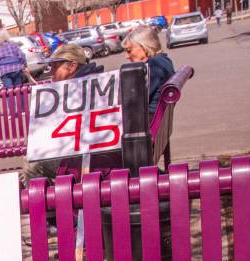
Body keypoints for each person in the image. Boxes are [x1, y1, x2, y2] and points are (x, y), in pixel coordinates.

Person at [19, 44, 104, 186]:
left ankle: (50, 204)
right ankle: (56, 199)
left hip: (88, 158)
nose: (51, 72)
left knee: (31, 163)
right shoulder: (94, 81)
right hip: (84, 153)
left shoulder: (79, 89)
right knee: (33, 157)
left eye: (55, 67)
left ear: (72, 66)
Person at [122, 25, 175, 118]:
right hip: (156, 119)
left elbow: (135, 99)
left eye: (129, 51)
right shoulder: (163, 61)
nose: (126, 56)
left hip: (147, 122)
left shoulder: (154, 65)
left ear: (145, 47)